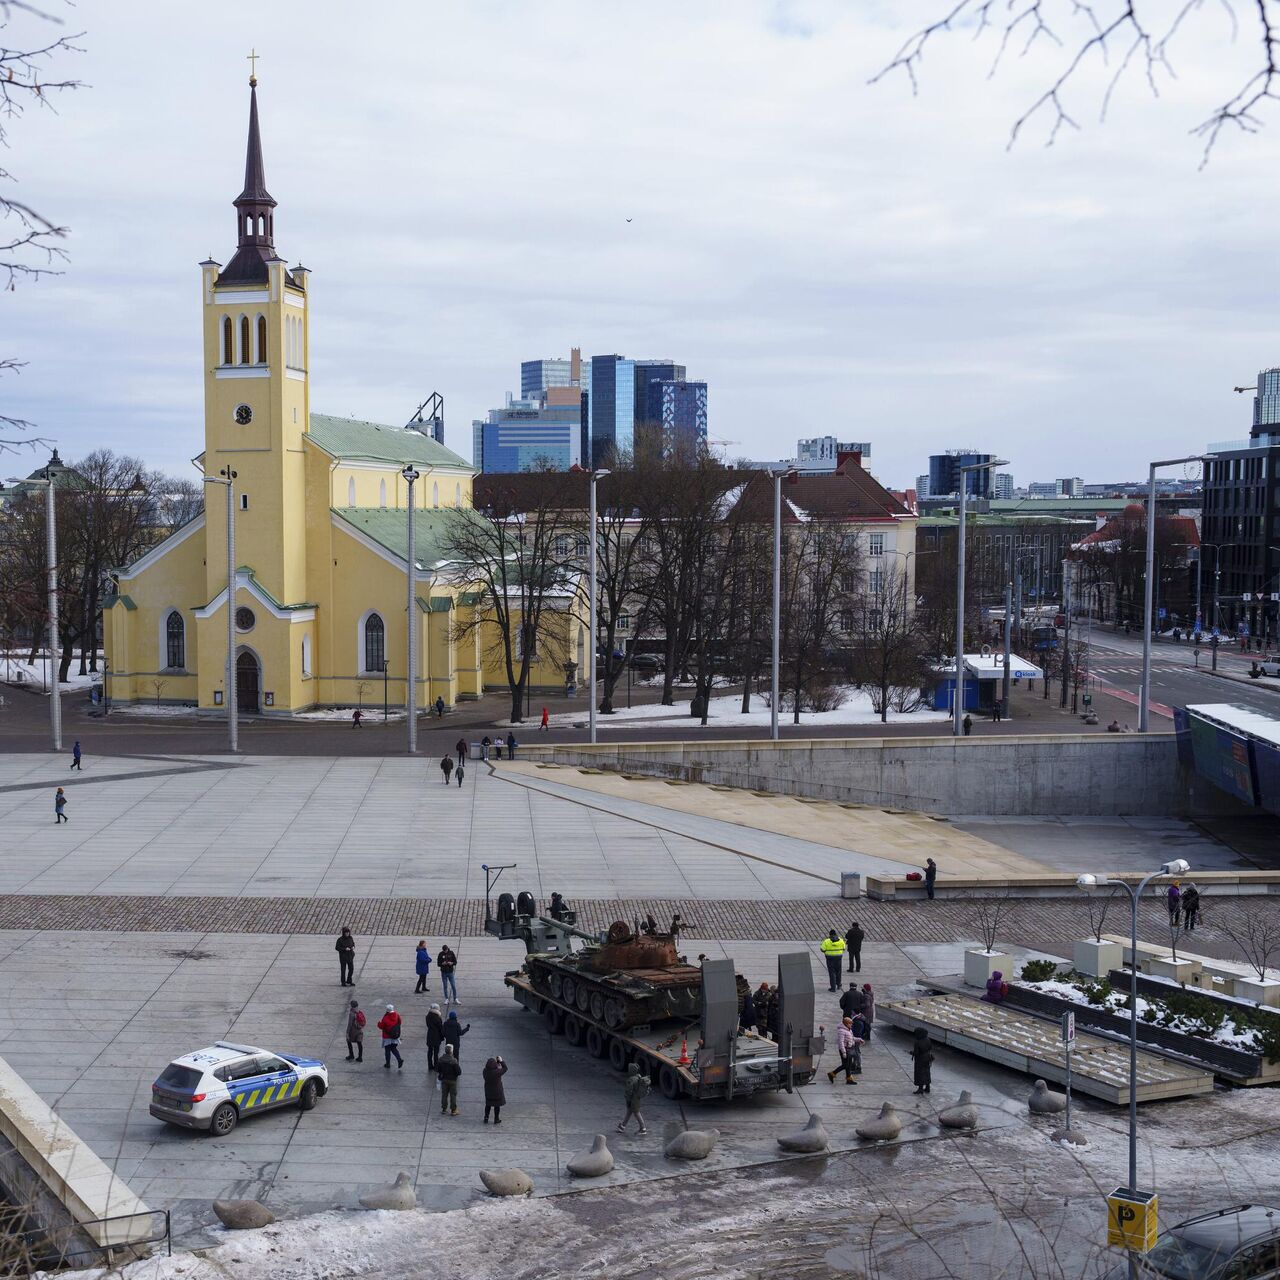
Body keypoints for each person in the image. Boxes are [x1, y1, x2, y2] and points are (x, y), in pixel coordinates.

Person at [617, 1061, 649, 1134]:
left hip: (632, 1099)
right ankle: (622, 1126)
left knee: (636, 1112)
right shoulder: (639, 1077)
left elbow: (629, 1091)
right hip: (637, 1098)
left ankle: (643, 1128)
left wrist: (627, 1099)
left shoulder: (631, 1080)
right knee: (629, 1111)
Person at [828, 1016, 861, 1084]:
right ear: (846, 1024)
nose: (851, 1025)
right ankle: (832, 1074)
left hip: (849, 1049)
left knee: (848, 1065)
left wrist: (859, 1039)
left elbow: (851, 1038)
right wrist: (843, 1052)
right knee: (845, 1065)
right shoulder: (841, 1031)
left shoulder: (849, 1029)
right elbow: (841, 1042)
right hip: (845, 1050)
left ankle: (849, 1079)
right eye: (850, 1023)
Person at [436, 1045, 461, 1116]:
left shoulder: (441, 1059)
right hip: (452, 1081)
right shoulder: (454, 1061)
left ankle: (444, 1109)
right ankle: (453, 1110)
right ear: (451, 1051)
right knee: (453, 1095)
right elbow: (459, 1072)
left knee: (444, 1094)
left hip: (444, 1079)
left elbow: (438, 1069)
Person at [482, 1055, 508, 1124]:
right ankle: (496, 1119)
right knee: (497, 1105)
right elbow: (505, 1068)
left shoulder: (485, 1071)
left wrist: (496, 1064)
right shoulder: (497, 1072)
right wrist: (501, 1061)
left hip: (488, 1091)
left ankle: (486, 1118)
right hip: (497, 1092)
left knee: (488, 1105)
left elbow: (493, 1068)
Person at [378, 1004, 404, 1070]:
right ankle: (399, 1059)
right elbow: (400, 1022)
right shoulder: (397, 1015)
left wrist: (378, 1023)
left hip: (387, 1037)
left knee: (387, 1050)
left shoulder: (385, 1018)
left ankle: (388, 1064)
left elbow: (381, 1026)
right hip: (395, 1036)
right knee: (394, 1049)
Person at [910, 1026, 934, 1095]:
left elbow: (916, 1053)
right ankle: (927, 1087)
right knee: (927, 1072)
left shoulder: (917, 1042)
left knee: (920, 1073)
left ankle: (920, 1089)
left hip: (920, 1060)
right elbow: (930, 1047)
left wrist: (911, 1052)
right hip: (928, 1058)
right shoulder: (928, 1039)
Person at [425, 1003, 444, 1070]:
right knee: (436, 1052)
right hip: (436, 1036)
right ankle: (436, 1066)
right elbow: (440, 1028)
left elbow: (428, 1025)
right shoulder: (438, 1018)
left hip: (430, 1035)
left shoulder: (427, 1016)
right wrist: (442, 1036)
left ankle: (430, 1065)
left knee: (430, 1051)